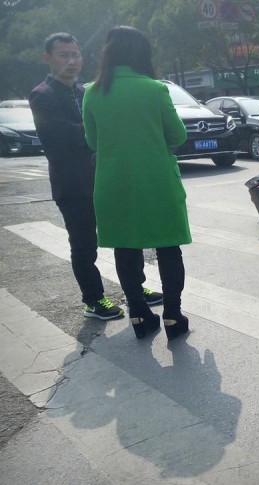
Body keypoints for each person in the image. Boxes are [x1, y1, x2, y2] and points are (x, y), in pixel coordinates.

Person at [29, 32, 162, 321]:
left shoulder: (86, 92)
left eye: (75, 54)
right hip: (74, 185)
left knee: (127, 235)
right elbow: (63, 135)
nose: (72, 61)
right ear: (47, 58)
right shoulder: (43, 95)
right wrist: (107, 130)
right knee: (84, 243)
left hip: (107, 178)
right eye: (63, 55)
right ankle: (93, 299)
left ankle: (134, 289)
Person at [82, 26, 190, 340]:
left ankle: (139, 315)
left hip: (113, 183)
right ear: (142, 54)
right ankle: (172, 315)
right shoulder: (154, 89)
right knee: (169, 248)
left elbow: (92, 141)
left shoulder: (92, 91)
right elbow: (178, 135)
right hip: (156, 181)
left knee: (126, 249)